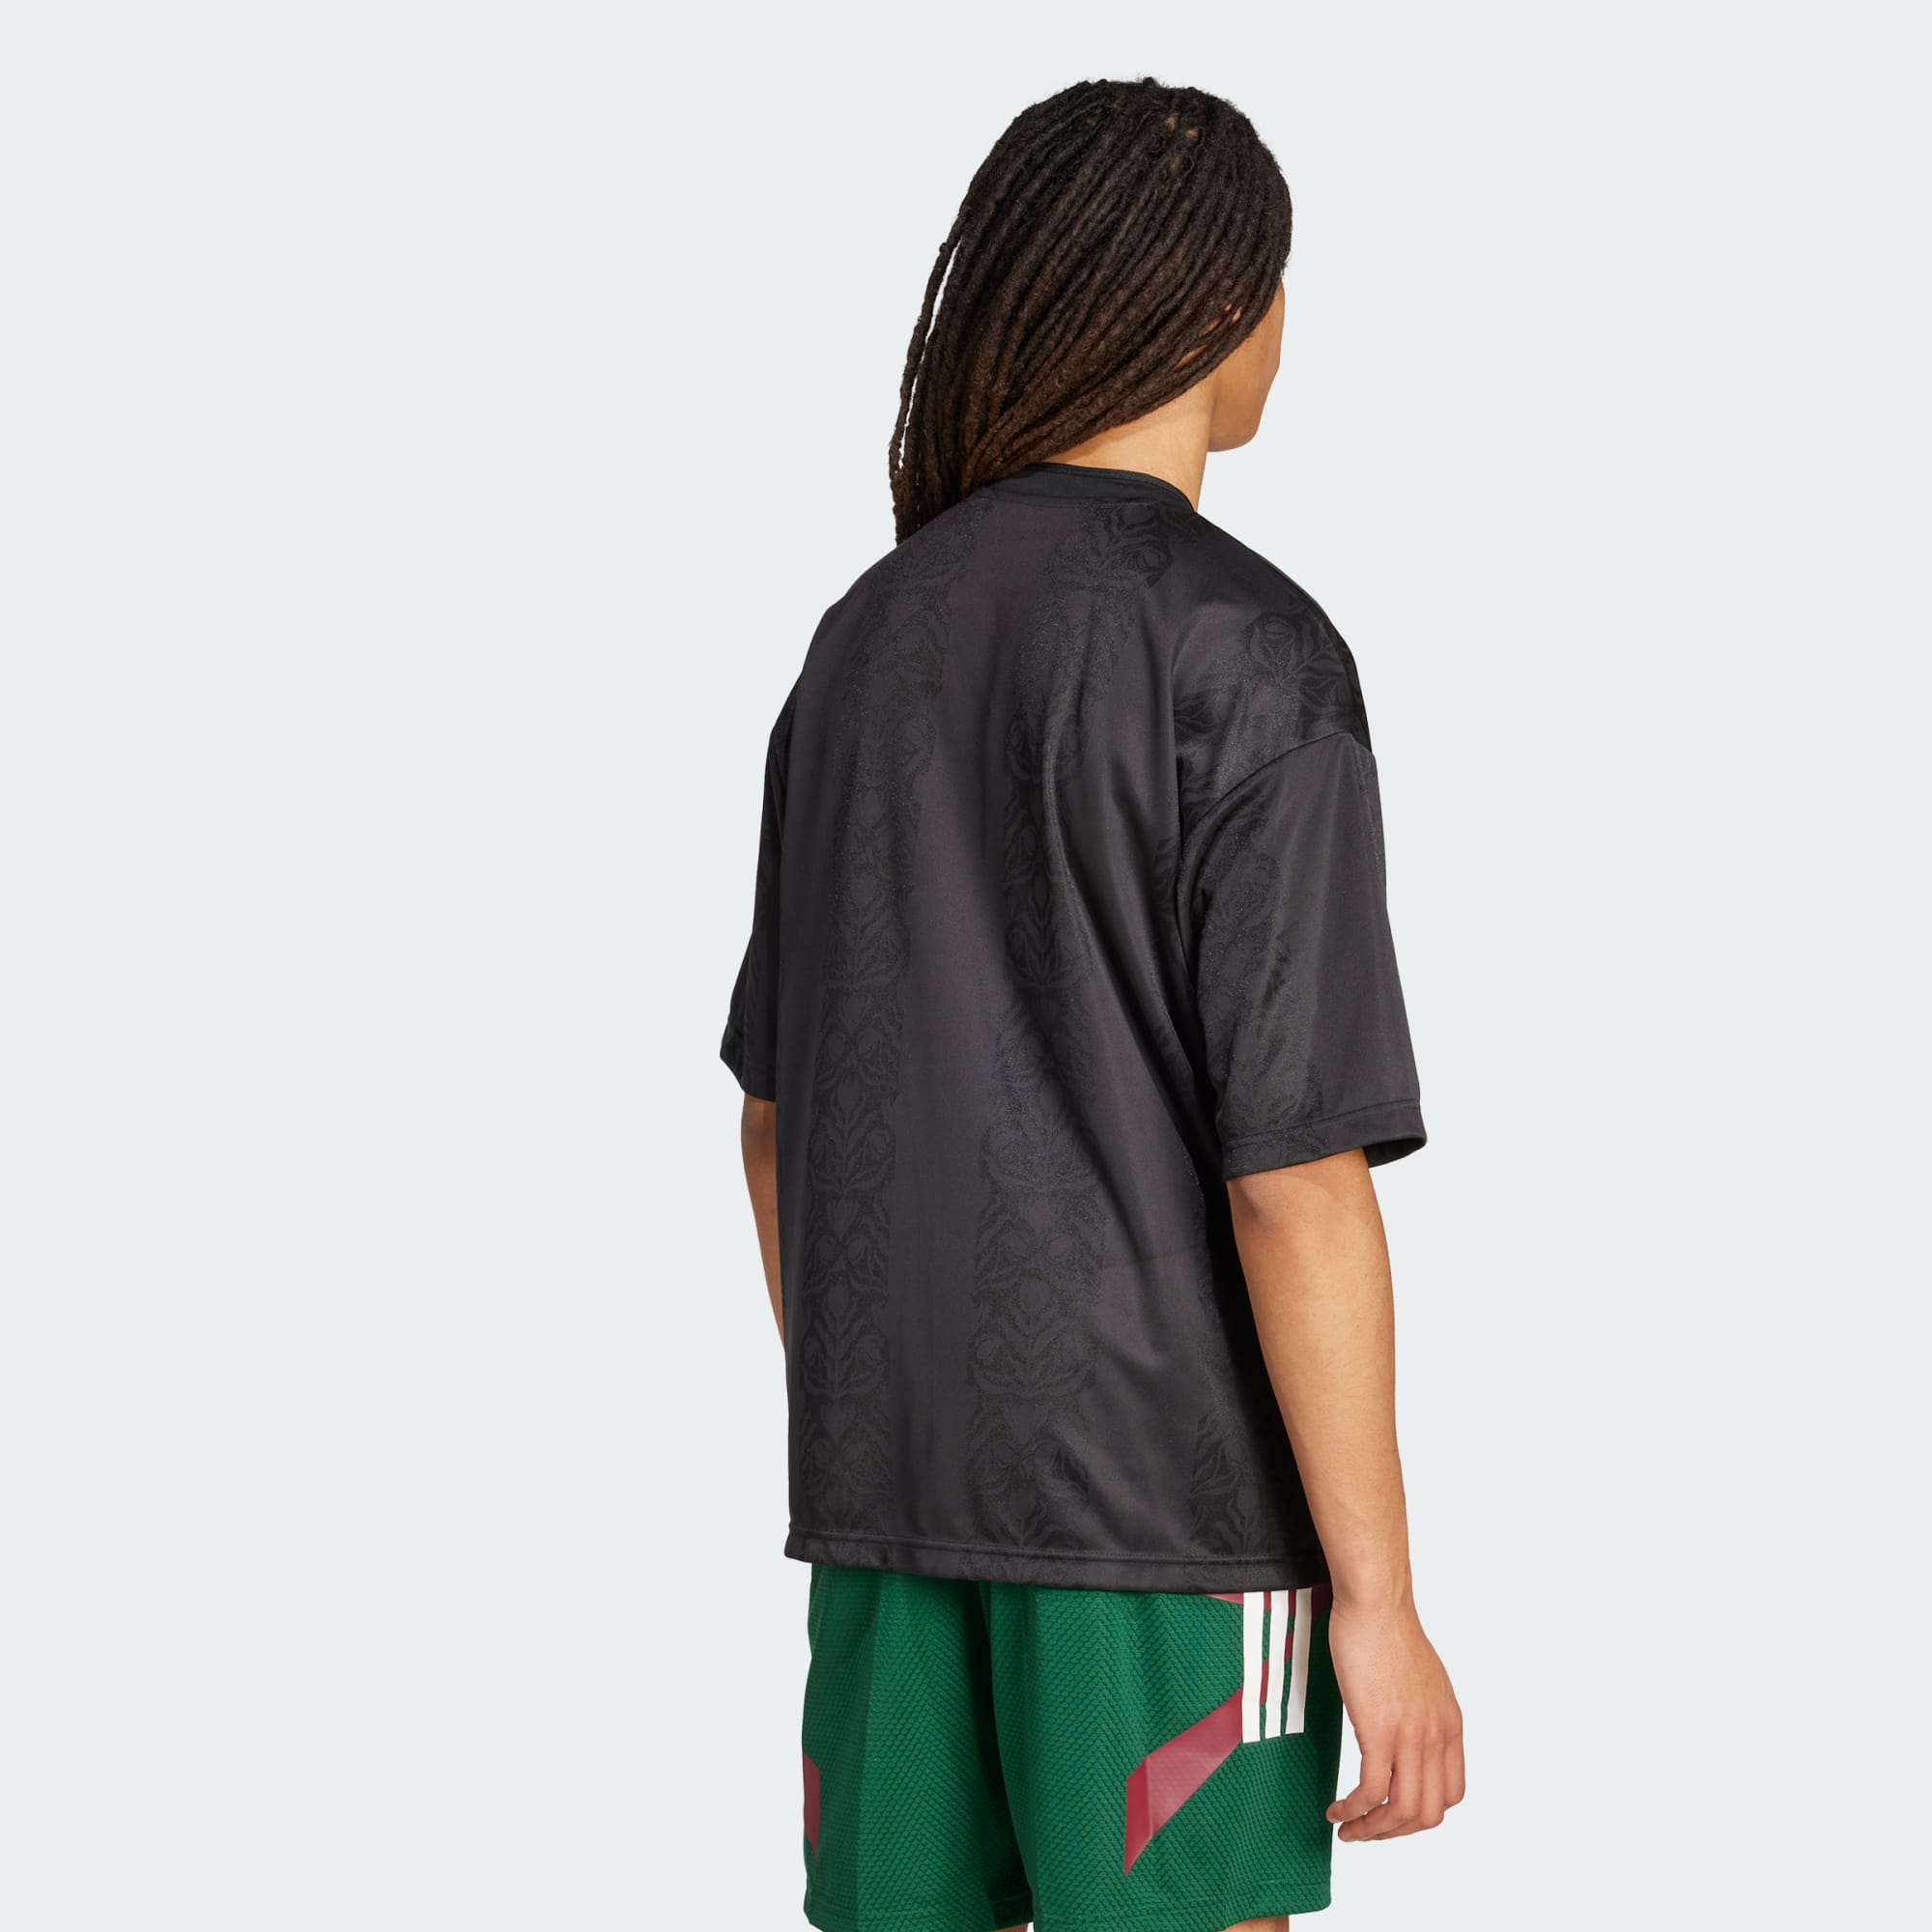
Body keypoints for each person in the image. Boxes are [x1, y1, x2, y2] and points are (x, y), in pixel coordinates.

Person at [722, 76, 1463, 1932]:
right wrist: (1380, 1606)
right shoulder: (1250, 650)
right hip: (1167, 1535)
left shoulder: (858, 644)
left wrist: (893, 1421)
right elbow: (1295, 1175)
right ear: (1219, 307)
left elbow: (774, 1124)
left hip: (890, 1522)